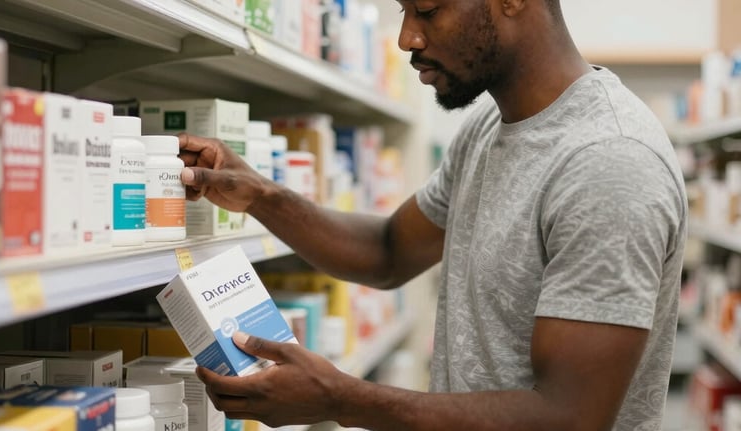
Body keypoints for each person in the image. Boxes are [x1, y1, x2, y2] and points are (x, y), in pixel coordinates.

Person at [179, 0, 687, 429]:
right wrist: (262, 196)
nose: (405, 38)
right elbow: (387, 252)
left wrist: (341, 399)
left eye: (426, 10)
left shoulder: (609, 161)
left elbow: (568, 416)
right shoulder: (489, 124)